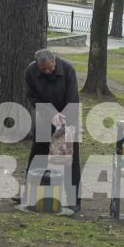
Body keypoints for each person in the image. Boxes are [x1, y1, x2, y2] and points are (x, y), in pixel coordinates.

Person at [19, 48, 81, 214]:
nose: (47, 71)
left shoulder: (68, 69)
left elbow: (73, 99)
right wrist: (51, 114)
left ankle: (74, 200)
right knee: (37, 156)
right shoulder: (31, 71)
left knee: (70, 160)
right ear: (37, 66)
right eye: (43, 69)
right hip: (45, 117)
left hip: (69, 117)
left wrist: (62, 120)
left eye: (50, 67)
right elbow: (33, 97)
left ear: (54, 60)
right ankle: (29, 193)